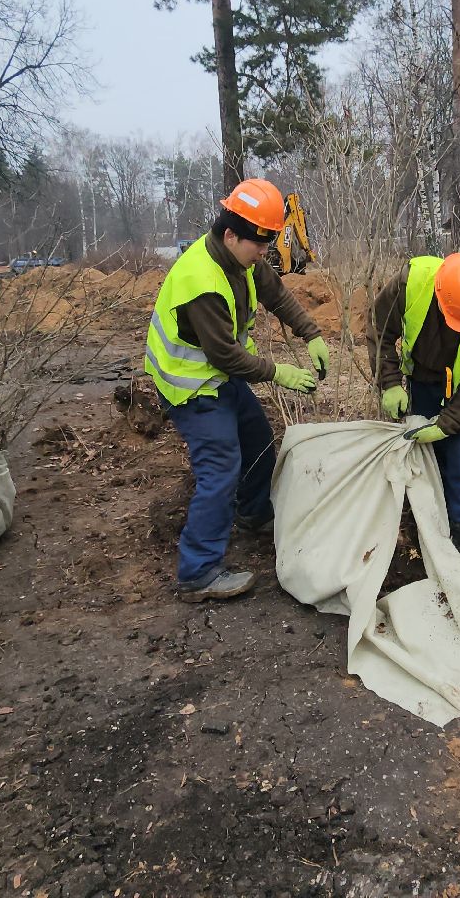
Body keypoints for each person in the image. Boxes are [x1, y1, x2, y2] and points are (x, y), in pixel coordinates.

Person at [144, 178, 330, 602]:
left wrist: (311, 333)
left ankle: (254, 513)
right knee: (220, 471)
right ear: (231, 234)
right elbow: (226, 356)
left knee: (259, 439)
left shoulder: (241, 256)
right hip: (191, 386)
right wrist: (278, 372)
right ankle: (198, 571)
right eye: (258, 246)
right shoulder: (202, 281)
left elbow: (276, 294)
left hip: (218, 376)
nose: (264, 254)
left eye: (267, 244)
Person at [371, 252, 460, 572]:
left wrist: (448, 424)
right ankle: (425, 522)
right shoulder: (411, 284)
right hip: (421, 379)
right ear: (439, 294)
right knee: (424, 456)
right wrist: (390, 382)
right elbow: (379, 331)